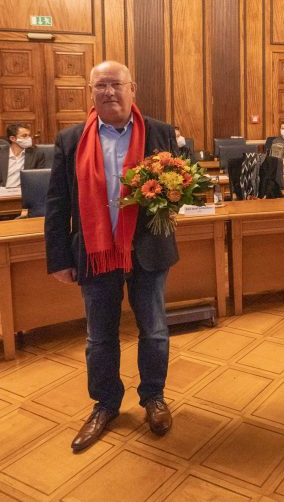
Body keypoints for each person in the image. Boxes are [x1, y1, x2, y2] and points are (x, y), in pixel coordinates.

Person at [44, 60, 178, 452]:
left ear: (132, 88)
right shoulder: (71, 140)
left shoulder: (159, 132)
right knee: (99, 336)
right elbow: (56, 203)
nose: (109, 92)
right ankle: (105, 404)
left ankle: (153, 396)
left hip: (148, 251)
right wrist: (59, 258)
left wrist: (173, 193)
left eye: (116, 84)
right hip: (94, 252)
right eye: (100, 85)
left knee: (154, 330)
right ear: (91, 91)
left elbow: (177, 190)